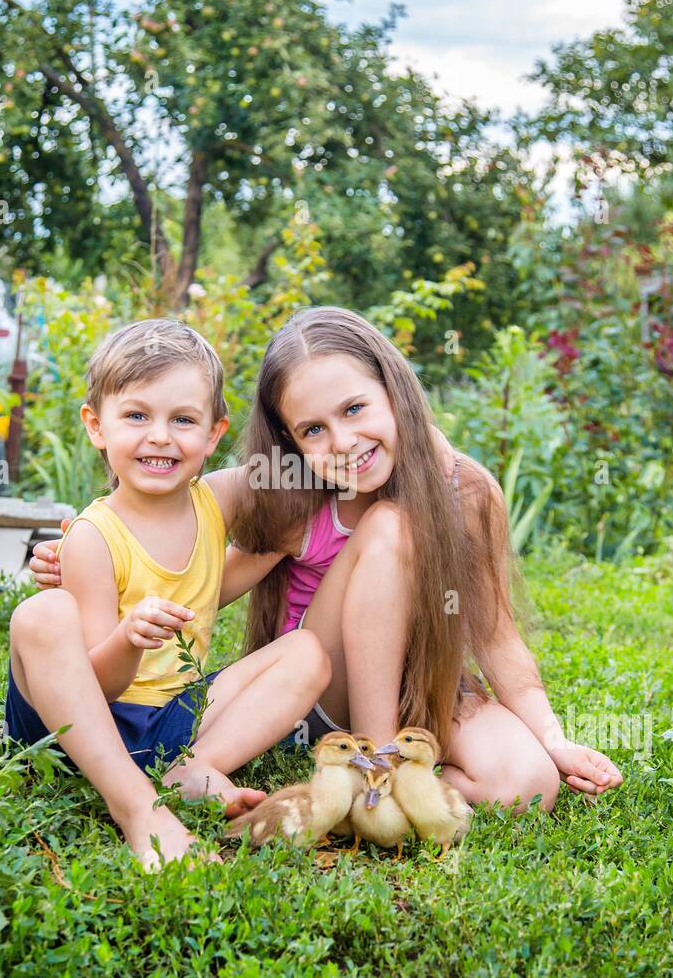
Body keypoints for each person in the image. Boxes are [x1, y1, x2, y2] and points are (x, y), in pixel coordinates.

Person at [32, 307, 623, 813]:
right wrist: (89, 552)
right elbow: (163, 510)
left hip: (424, 684)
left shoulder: (465, 493)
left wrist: (555, 738)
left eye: (355, 409)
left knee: (526, 787)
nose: (342, 442)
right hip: (320, 690)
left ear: (395, 394)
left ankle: (344, 786)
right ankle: (379, 765)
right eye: (313, 429)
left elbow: (496, 634)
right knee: (391, 526)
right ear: (288, 441)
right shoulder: (285, 486)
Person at [7, 318, 331, 870]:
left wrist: (275, 547)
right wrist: (130, 638)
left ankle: (193, 766)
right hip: (84, 729)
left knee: (308, 653)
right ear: (96, 426)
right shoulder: (93, 537)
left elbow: (204, 592)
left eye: (183, 419)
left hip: (171, 720)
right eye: (136, 415)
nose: (160, 436)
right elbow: (95, 684)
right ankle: (137, 807)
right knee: (43, 613)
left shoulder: (214, 501)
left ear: (213, 434)